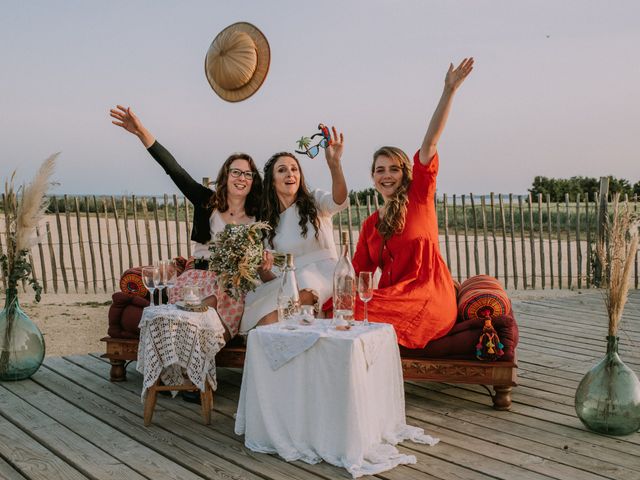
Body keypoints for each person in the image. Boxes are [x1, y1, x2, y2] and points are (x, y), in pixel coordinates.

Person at [348, 58, 474, 350]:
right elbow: (357, 273)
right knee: (335, 308)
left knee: (351, 313)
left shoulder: (420, 195)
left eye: (393, 169)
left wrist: (449, 91)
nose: (387, 175)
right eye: (380, 170)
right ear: (373, 177)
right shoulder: (370, 225)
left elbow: (430, 144)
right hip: (393, 299)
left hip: (429, 296)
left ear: (405, 173)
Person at [109, 105, 263, 341]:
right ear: (225, 176)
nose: (241, 178)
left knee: (212, 308)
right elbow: (175, 171)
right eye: (236, 172)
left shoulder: (258, 216)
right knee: (198, 310)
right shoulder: (206, 201)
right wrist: (141, 132)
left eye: (248, 174)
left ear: (253, 181)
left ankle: (193, 354)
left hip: (231, 285)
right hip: (197, 279)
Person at [240, 127, 348, 332]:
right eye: (282, 170)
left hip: (321, 276)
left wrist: (334, 165)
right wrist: (262, 269)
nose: (290, 173)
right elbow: (271, 277)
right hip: (288, 283)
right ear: (271, 181)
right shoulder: (265, 224)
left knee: (269, 322)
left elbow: (339, 201)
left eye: (294, 169)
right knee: (257, 317)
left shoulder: (315, 201)